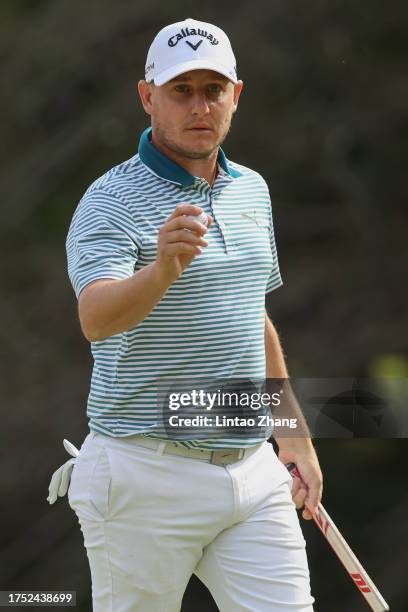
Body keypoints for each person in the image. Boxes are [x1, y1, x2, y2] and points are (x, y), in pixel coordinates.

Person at [48, 17, 323, 612]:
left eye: (212, 90)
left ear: (236, 96)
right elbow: (95, 317)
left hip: (253, 474)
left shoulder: (252, 189)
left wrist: (293, 432)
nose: (199, 106)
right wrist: (161, 272)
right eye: (181, 91)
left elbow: (252, 313)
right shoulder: (110, 200)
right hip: (144, 472)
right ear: (148, 97)